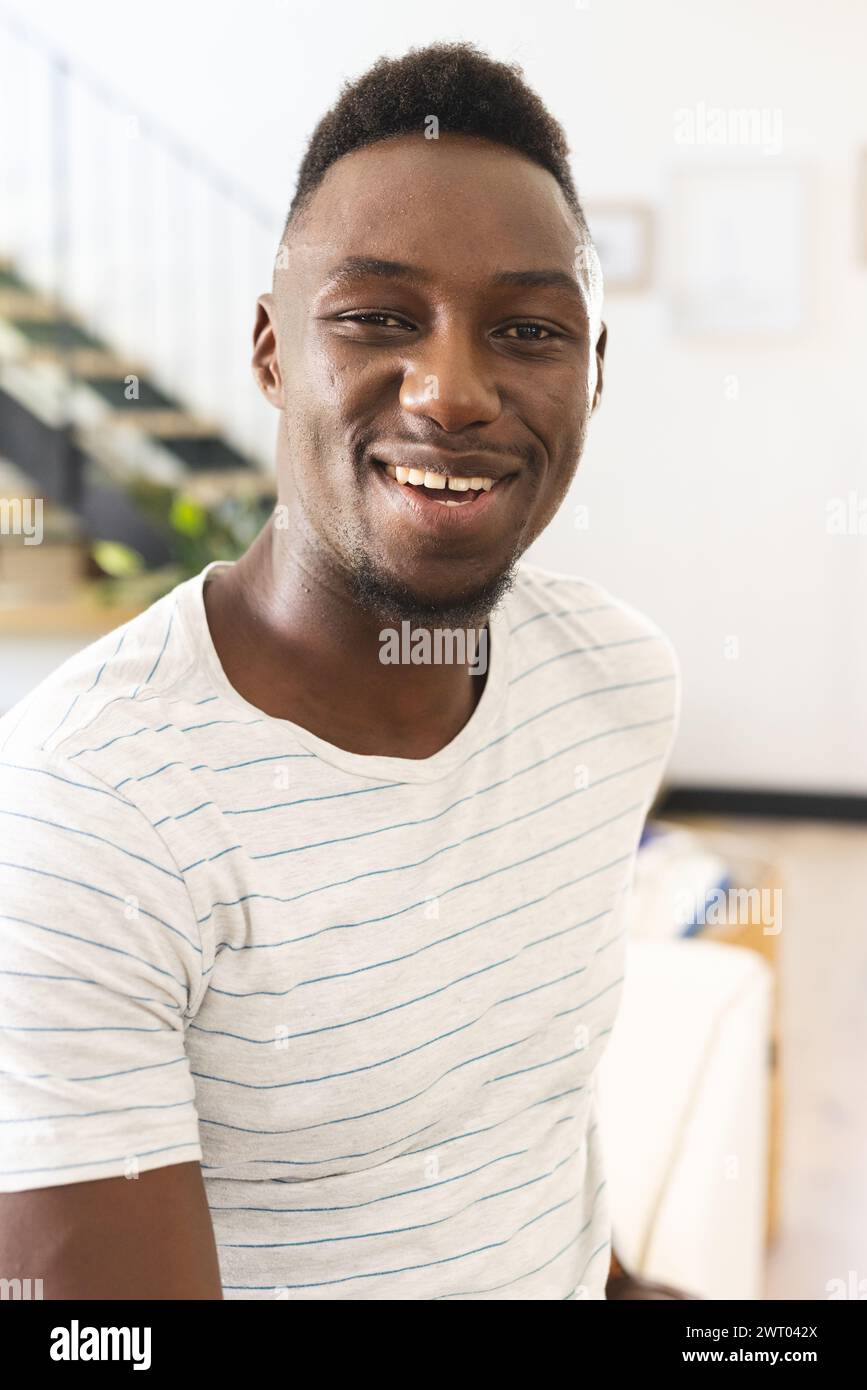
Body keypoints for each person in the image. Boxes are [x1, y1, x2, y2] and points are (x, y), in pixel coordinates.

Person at [0, 42, 682, 1299]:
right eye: (376, 317)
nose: (450, 389)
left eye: (528, 329)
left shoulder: (618, 684)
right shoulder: (90, 808)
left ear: (591, 374)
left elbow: (522, 1119)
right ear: (269, 353)